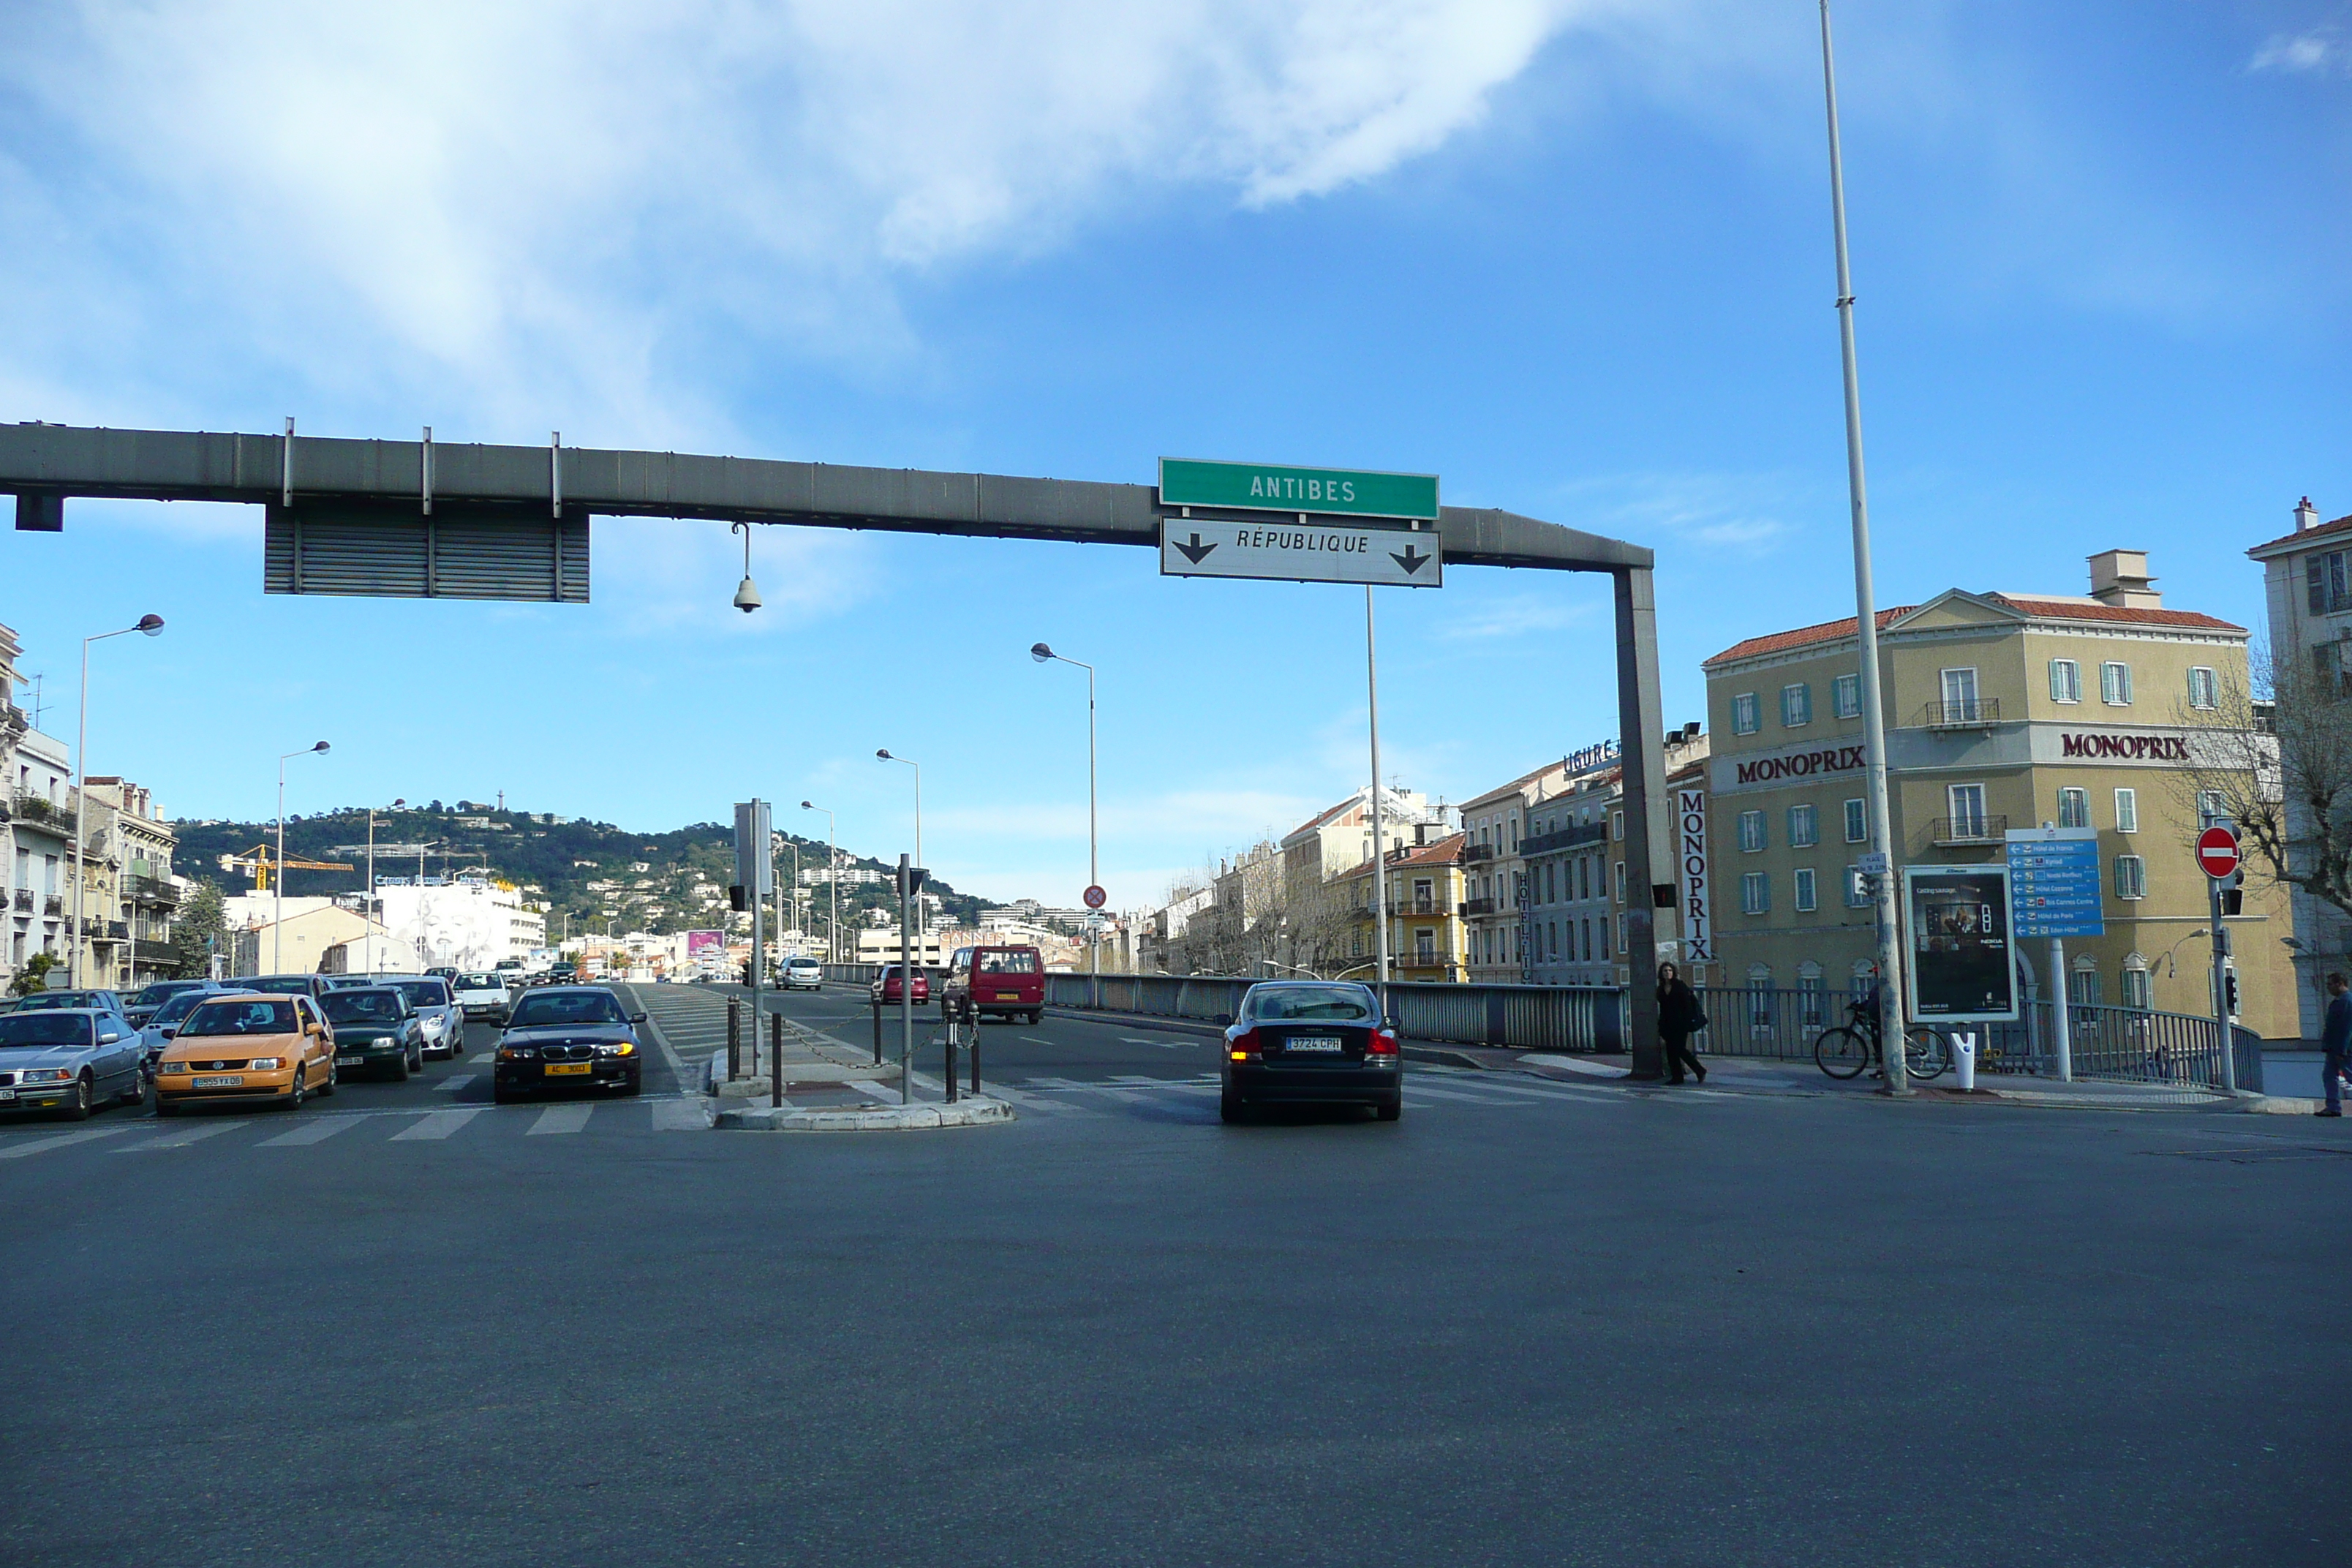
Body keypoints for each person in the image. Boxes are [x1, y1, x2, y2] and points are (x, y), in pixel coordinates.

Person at [1657, 962, 1706, 1084]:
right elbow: (1663, 1007)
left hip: (1681, 1023)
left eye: (1670, 971)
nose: (1668, 973)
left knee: (1679, 1049)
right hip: (1667, 1023)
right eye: (1665, 971)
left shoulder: (1680, 986)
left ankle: (1699, 1070)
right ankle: (1677, 1077)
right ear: (1661, 974)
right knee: (1671, 1051)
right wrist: (1661, 1024)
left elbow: (1687, 1006)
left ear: (1673, 973)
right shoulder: (1661, 989)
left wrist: (1686, 1021)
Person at [2320, 972, 2350, 1119]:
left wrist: (2342, 1049)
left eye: (2330, 984)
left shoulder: (2346, 1001)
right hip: (2334, 1047)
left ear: (2340, 984)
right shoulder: (2339, 1001)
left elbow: (2346, 1028)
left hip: (2342, 1049)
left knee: (2350, 1075)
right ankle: (2333, 1107)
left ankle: (2333, 1106)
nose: (2328, 988)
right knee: (2329, 1075)